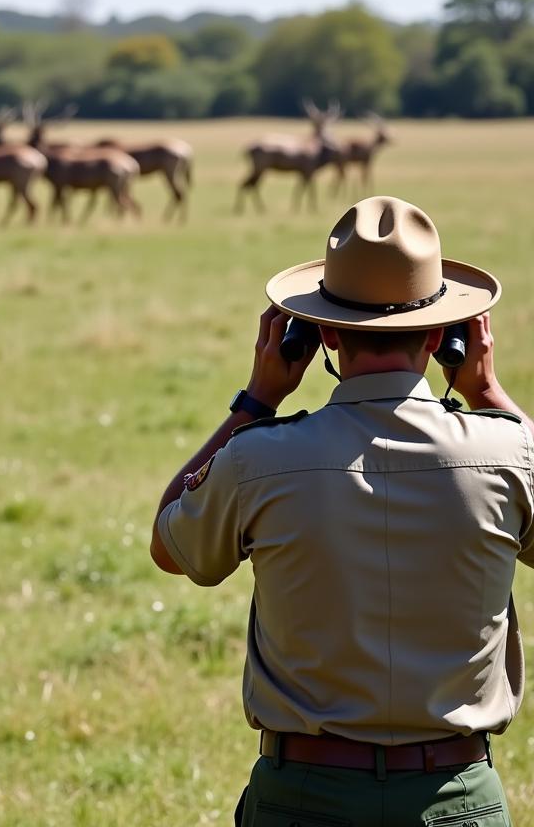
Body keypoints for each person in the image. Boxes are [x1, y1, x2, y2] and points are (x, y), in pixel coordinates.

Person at [150, 195, 534, 827]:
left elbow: (172, 544)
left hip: (302, 795)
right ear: (446, 337)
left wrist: (255, 399)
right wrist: (491, 395)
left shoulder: (258, 459)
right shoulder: (507, 453)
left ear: (321, 333)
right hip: (456, 796)